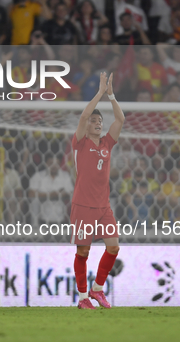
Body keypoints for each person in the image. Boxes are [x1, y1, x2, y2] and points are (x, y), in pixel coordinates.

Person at [72, 72, 124, 310]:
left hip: (103, 206)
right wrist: (99, 93)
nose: (98, 123)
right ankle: (83, 298)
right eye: (94, 121)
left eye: (99, 121)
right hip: (83, 205)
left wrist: (111, 95)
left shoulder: (107, 143)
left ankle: (97, 289)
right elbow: (84, 116)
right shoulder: (81, 142)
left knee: (113, 247)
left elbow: (120, 120)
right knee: (83, 251)